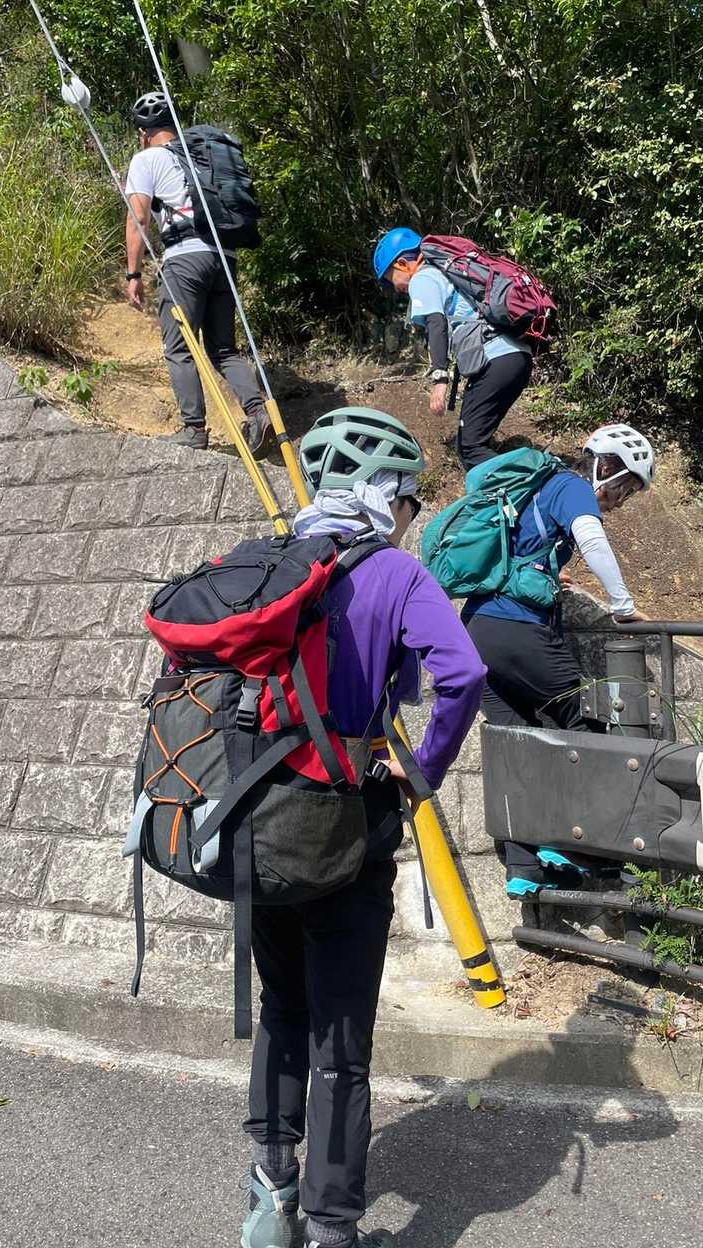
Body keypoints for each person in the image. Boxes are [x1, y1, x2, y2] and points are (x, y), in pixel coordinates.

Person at [243, 406, 485, 1248]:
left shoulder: (271, 558)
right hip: (349, 827)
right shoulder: (395, 572)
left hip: (259, 821)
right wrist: (426, 767)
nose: (412, 516)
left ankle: (270, 1194)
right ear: (385, 493)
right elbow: (462, 673)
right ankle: (333, 1227)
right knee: (340, 1038)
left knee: (282, 1004)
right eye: (410, 499)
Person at [461, 424, 654, 891]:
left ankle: (524, 868)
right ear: (605, 467)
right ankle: (582, 848)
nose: (621, 500)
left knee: (516, 743)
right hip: (516, 630)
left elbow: (522, 550)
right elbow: (593, 540)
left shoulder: (540, 487)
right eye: (625, 487)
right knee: (586, 721)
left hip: (476, 631)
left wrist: (550, 573)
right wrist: (623, 606)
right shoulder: (571, 486)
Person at [123, 90, 271, 454]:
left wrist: (133, 274)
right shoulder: (198, 155)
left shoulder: (147, 159)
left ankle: (193, 429)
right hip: (224, 256)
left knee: (179, 346)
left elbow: (138, 218)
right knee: (223, 348)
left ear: (143, 133)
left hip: (185, 260)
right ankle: (259, 413)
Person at [373, 227, 532, 469]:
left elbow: (436, 323)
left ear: (403, 264)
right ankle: (528, 473)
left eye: (390, 278)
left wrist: (440, 379)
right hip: (516, 356)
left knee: (470, 449)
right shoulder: (446, 275)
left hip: (496, 360)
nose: (394, 287)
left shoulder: (422, 278)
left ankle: (541, 479)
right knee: (472, 443)